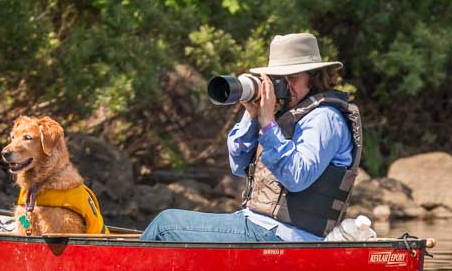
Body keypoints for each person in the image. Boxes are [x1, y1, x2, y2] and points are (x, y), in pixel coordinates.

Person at [141, 32, 362, 242]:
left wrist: (267, 123)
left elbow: (297, 177)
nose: (285, 86)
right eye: (278, 79)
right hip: (257, 226)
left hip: (285, 237)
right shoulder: (284, 114)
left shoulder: (324, 118)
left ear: (314, 78)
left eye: (292, 78)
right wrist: (252, 114)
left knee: (166, 225)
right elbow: (238, 166)